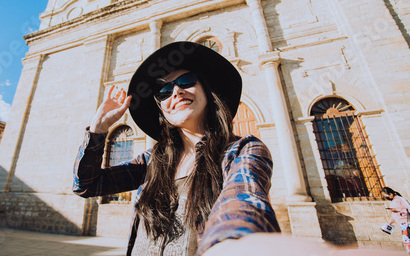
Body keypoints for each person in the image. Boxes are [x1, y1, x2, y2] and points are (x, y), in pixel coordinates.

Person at [73, 42, 280, 255]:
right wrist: (97, 131)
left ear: (207, 91)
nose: (177, 91)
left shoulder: (242, 152)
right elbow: (86, 185)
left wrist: (232, 243)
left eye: (186, 81)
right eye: (164, 90)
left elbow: (243, 201)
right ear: (161, 110)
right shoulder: (151, 160)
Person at [382, 187, 410, 255]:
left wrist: (398, 210)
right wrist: (389, 222)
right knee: (407, 240)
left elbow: (408, 208)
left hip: (406, 223)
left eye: (386, 196)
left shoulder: (400, 199)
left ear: (391, 194)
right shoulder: (392, 202)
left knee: (406, 239)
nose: (386, 198)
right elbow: (394, 215)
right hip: (401, 224)